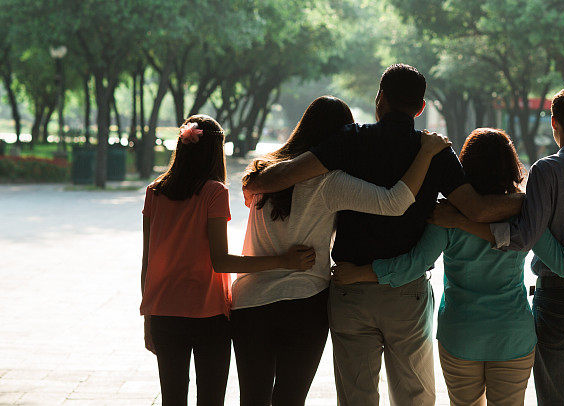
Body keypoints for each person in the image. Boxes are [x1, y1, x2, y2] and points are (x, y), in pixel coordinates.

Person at [243, 64, 523, 406]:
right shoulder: (435, 151)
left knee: (357, 397)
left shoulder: (350, 140)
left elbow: (287, 175)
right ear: (420, 108)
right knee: (414, 396)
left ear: (380, 100)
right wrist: (532, 198)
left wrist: (256, 179)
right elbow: (478, 210)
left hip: (351, 290)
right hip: (407, 294)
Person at [332, 128, 564, 406]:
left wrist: (360, 272)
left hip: (461, 334)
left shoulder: (446, 216)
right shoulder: (526, 216)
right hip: (512, 336)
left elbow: (412, 266)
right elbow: (563, 265)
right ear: (510, 165)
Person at [231, 96, 452, 406]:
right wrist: (426, 153)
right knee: (289, 399)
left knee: (252, 399)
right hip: (304, 300)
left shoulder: (262, 174)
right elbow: (395, 202)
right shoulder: (329, 183)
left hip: (250, 301)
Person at [438, 86, 564, 406]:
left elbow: (525, 236)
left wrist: (467, 220)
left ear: (554, 123)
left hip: (555, 298)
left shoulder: (546, 169)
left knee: (552, 398)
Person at [140, 114, 316, 406]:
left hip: (163, 314)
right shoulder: (213, 192)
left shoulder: (155, 191)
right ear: (215, 151)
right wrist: (283, 260)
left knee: (172, 399)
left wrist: (148, 318)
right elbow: (220, 261)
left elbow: (148, 262)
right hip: (208, 316)